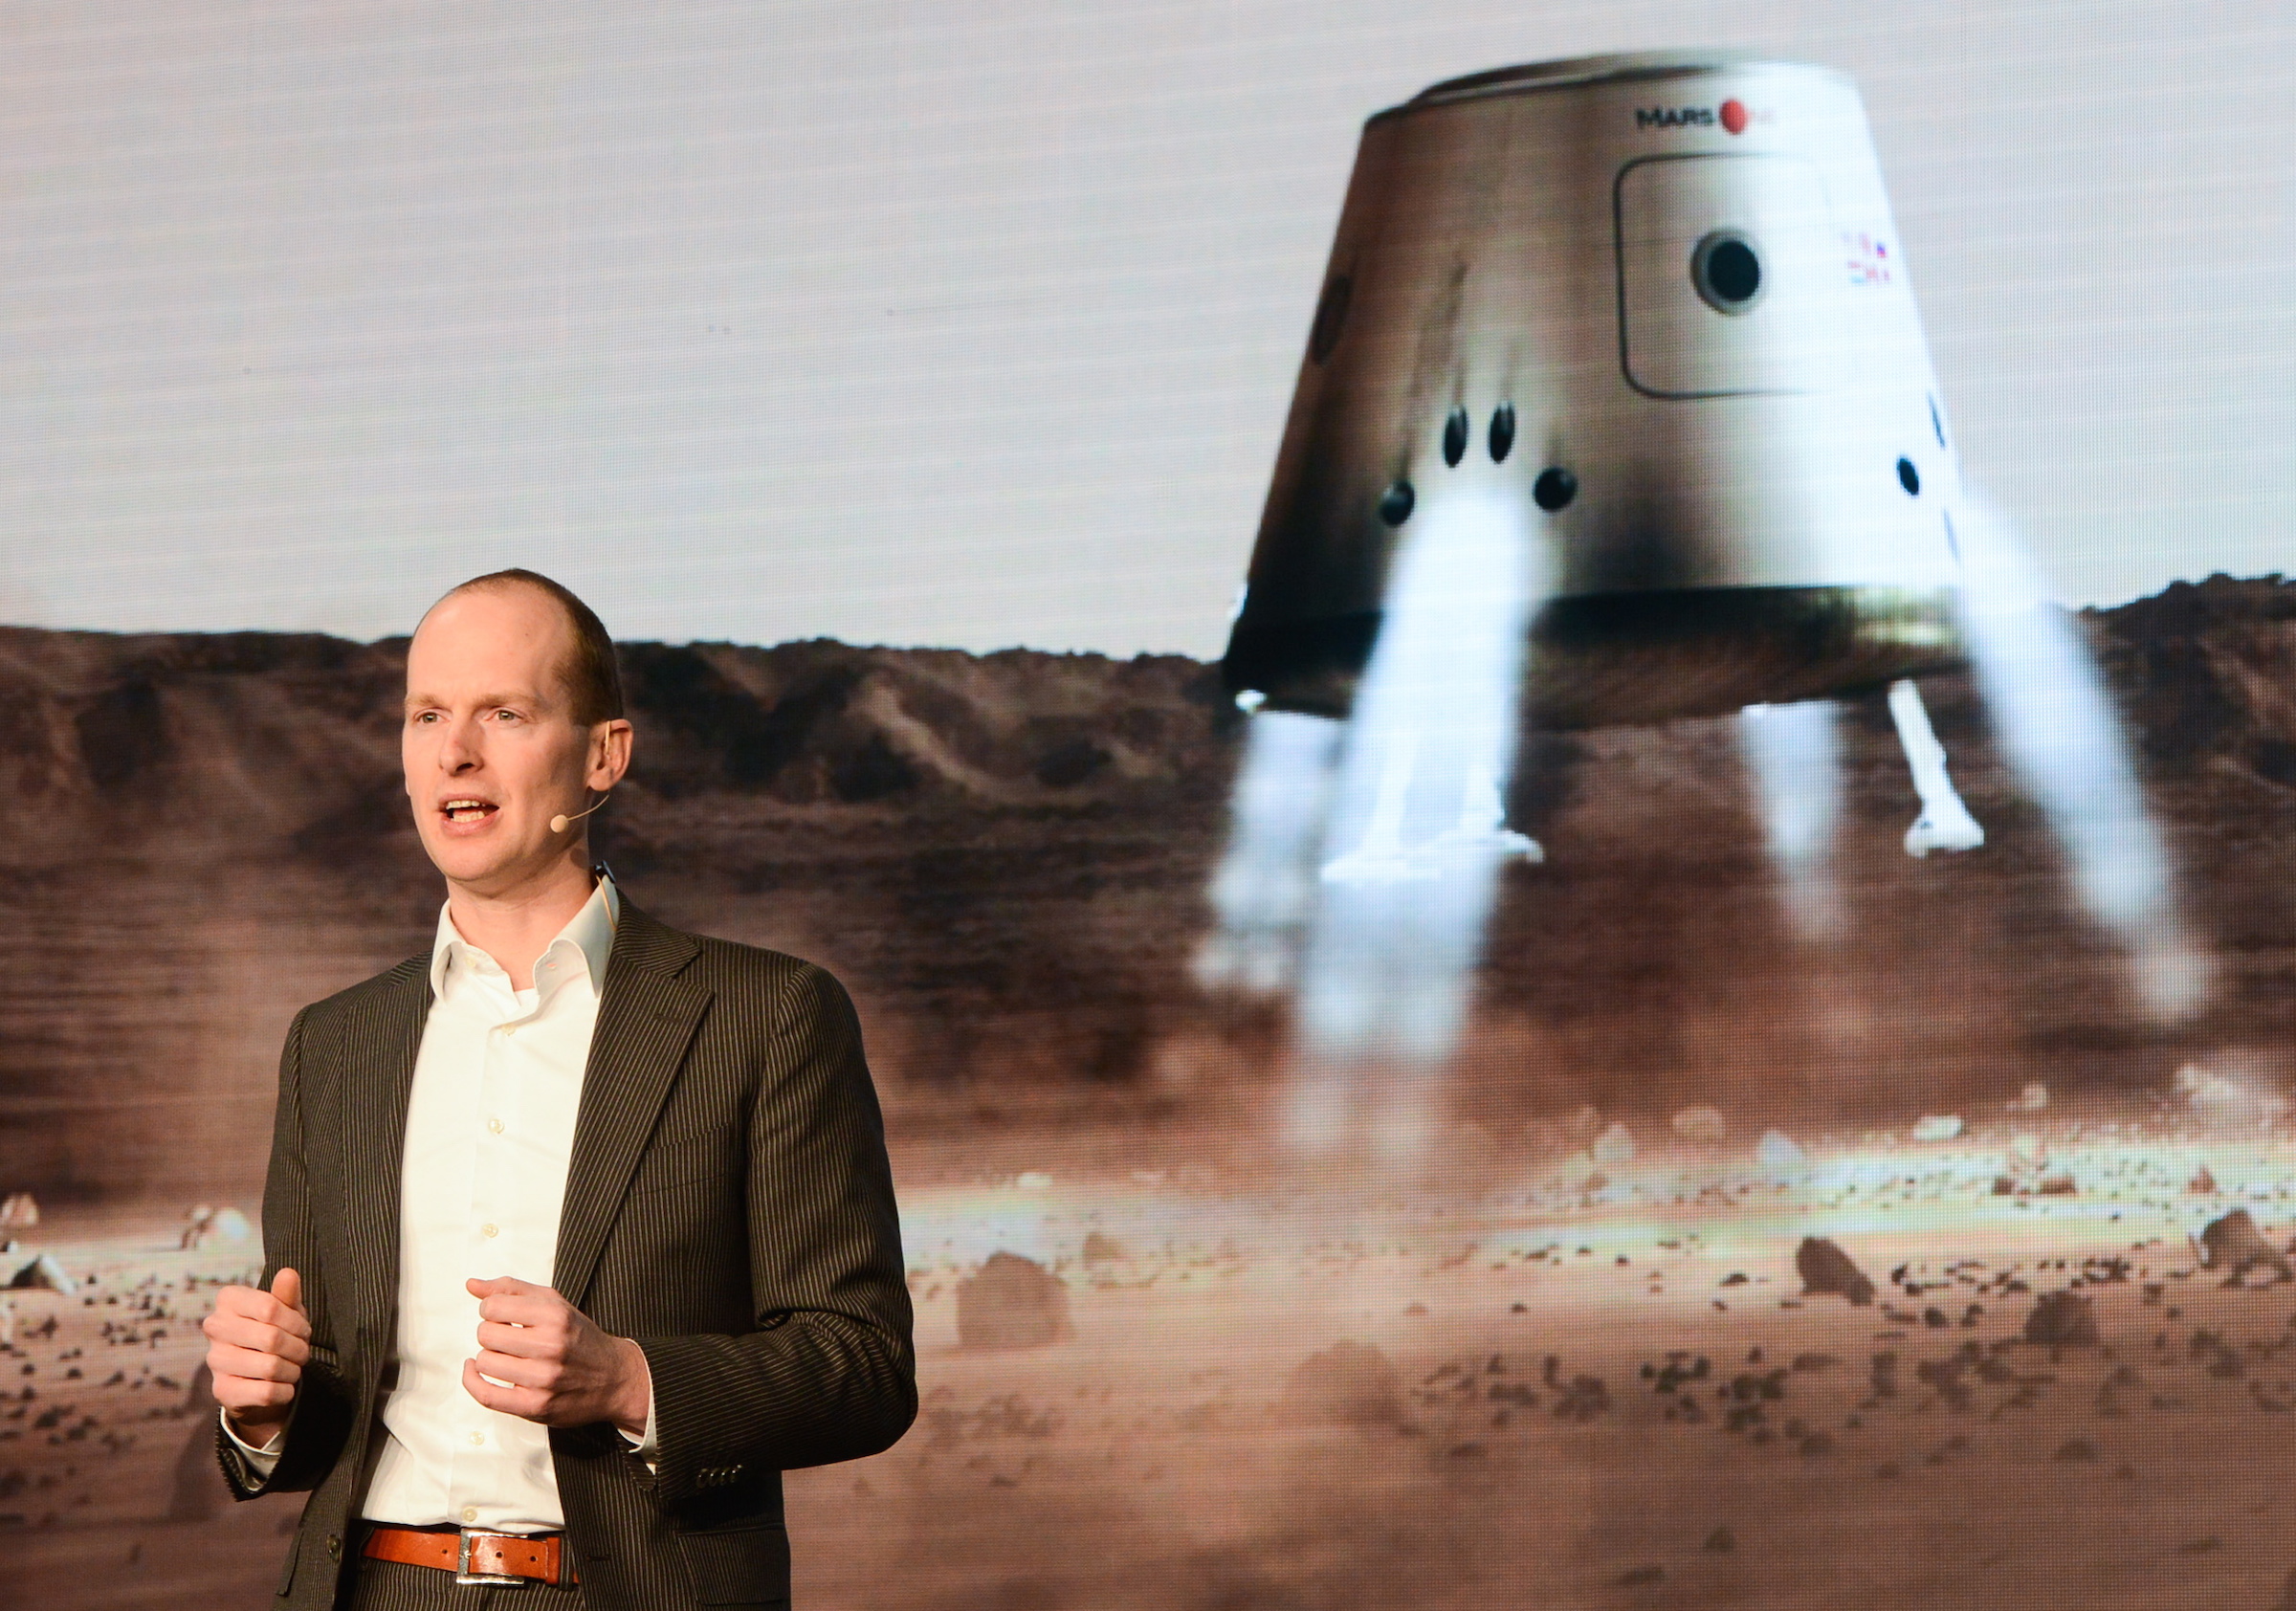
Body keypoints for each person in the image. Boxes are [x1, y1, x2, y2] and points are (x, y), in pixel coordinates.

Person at [199, 570, 915, 1609]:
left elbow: (864, 1365)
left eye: (505, 712)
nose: (456, 751)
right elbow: (321, 1427)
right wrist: (260, 1410)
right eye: (428, 714)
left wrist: (631, 1381)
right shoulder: (334, 1047)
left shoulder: (767, 1016)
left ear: (602, 757)